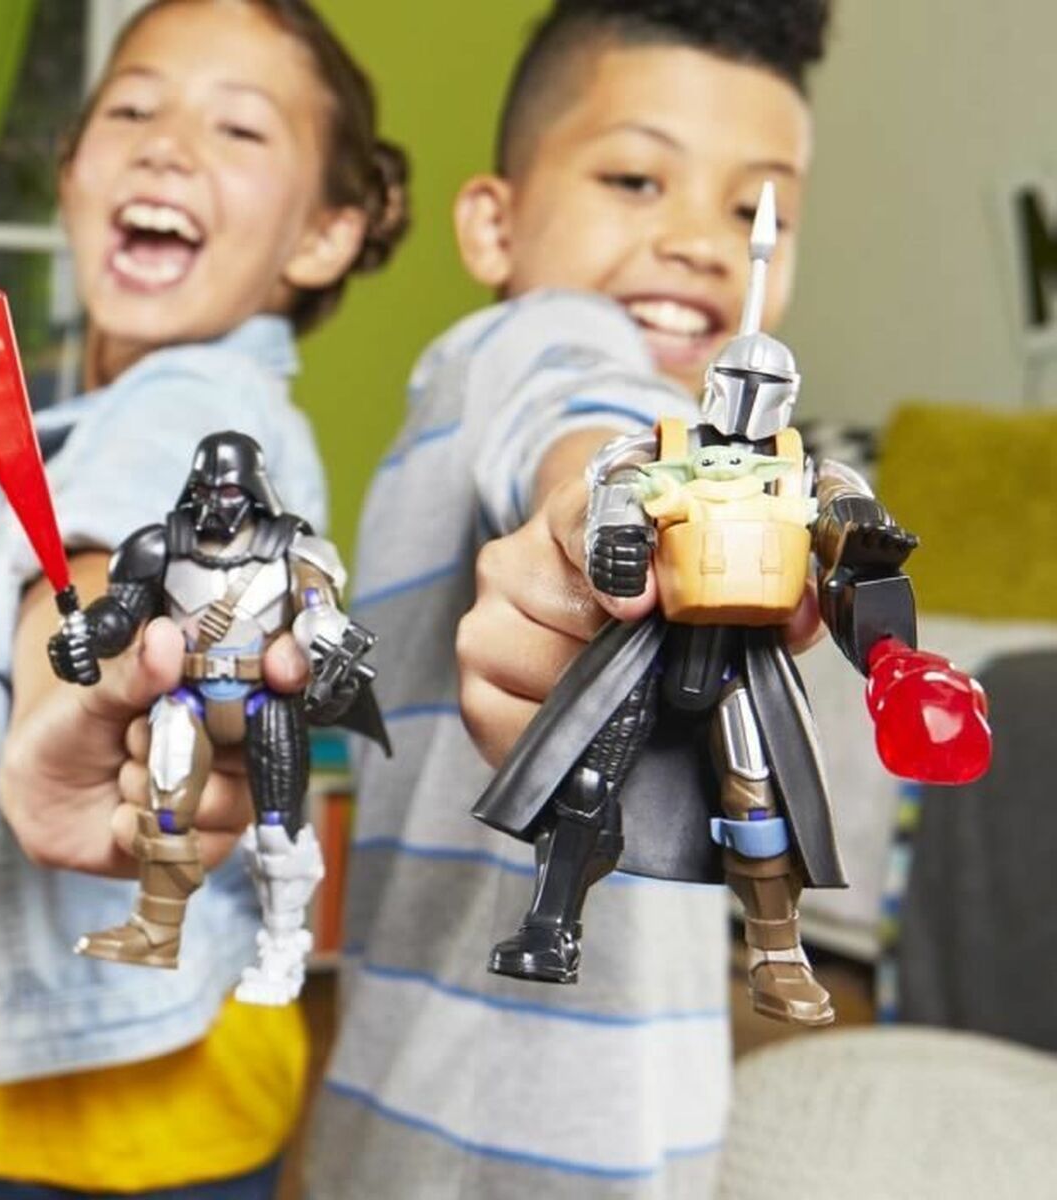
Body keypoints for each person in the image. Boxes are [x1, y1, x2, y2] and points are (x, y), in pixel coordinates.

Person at [0, 2, 407, 1198]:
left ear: (324, 234)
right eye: (134, 108)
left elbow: (115, 562)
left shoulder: (193, 402)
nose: (168, 144)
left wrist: (88, 678)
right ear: (72, 170)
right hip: (139, 1089)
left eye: (239, 129)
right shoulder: (149, 406)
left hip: (142, 1117)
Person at [308, 2, 829, 1197]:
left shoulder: (717, 431)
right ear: (493, 225)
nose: (699, 242)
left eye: (756, 210)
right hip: (467, 1148)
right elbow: (576, 397)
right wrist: (607, 499)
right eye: (637, 178)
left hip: (629, 1121)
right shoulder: (519, 342)